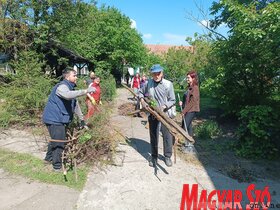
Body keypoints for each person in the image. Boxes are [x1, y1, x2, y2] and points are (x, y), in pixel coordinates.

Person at [42, 67, 96, 172]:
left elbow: (75, 105)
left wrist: (82, 120)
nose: (76, 77)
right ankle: (56, 166)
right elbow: (67, 95)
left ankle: (48, 158)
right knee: (59, 141)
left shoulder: (70, 88)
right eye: (74, 75)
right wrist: (85, 91)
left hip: (59, 119)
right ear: (67, 77)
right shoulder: (62, 86)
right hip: (54, 119)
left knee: (55, 138)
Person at [139, 64, 176, 167]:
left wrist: (164, 106)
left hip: (165, 113)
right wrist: (142, 101)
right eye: (154, 74)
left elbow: (173, 100)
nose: (156, 76)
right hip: (153, 112)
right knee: (154, 135)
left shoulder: (168, 84)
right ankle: (154, 156)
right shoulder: (148, 83)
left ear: (162, 73)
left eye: (158, 73)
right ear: (152, 74)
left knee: (167, 135)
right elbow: (140, 92)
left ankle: (167, 156)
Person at [179, 70, 200, 153]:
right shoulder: (189, 87)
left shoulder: (195, 88)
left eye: (188, 77)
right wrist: (182, 103)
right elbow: (187, 99)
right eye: (187, 77)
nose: (187, 79)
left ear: (193, 78)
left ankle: (189, 144)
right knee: (189, 126)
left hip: (192, 109)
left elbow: (192, 102)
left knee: (185, 126)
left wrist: (184, 111)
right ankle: (189, 144)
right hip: (188, 109)